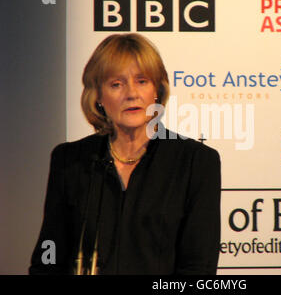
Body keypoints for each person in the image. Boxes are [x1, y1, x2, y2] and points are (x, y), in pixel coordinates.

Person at [29, 33, 221, 275]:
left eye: (142, 81)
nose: (131, 93)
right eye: (116, 84)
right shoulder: (69, 160)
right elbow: (48, 259)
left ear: (157, 91)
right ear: (98, 96)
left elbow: (198, 268)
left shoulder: (195, 162)